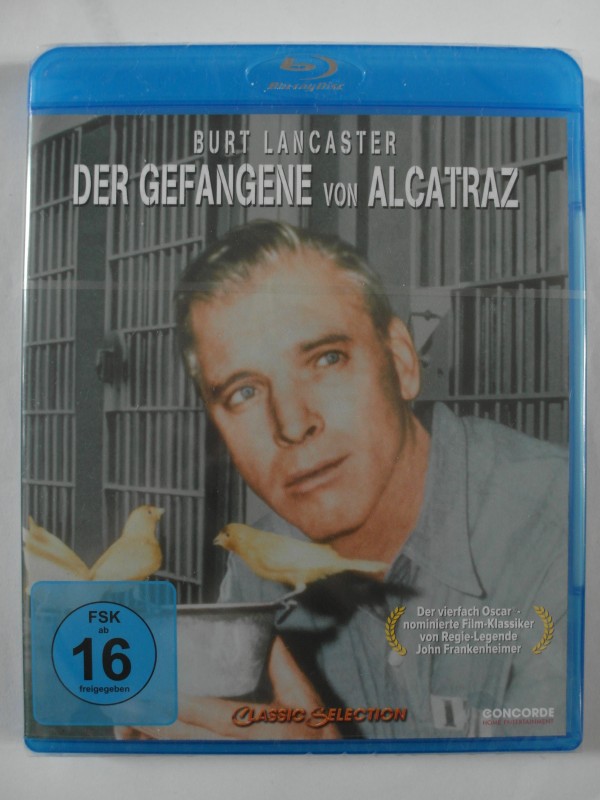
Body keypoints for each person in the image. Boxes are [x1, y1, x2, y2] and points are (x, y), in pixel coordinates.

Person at [123, 220, 568, 742]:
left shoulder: (565, 529)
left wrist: (314, 771)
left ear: (402, 363)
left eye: (326, 359)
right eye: (244, 392)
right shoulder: (257, 576)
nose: (292, 424)